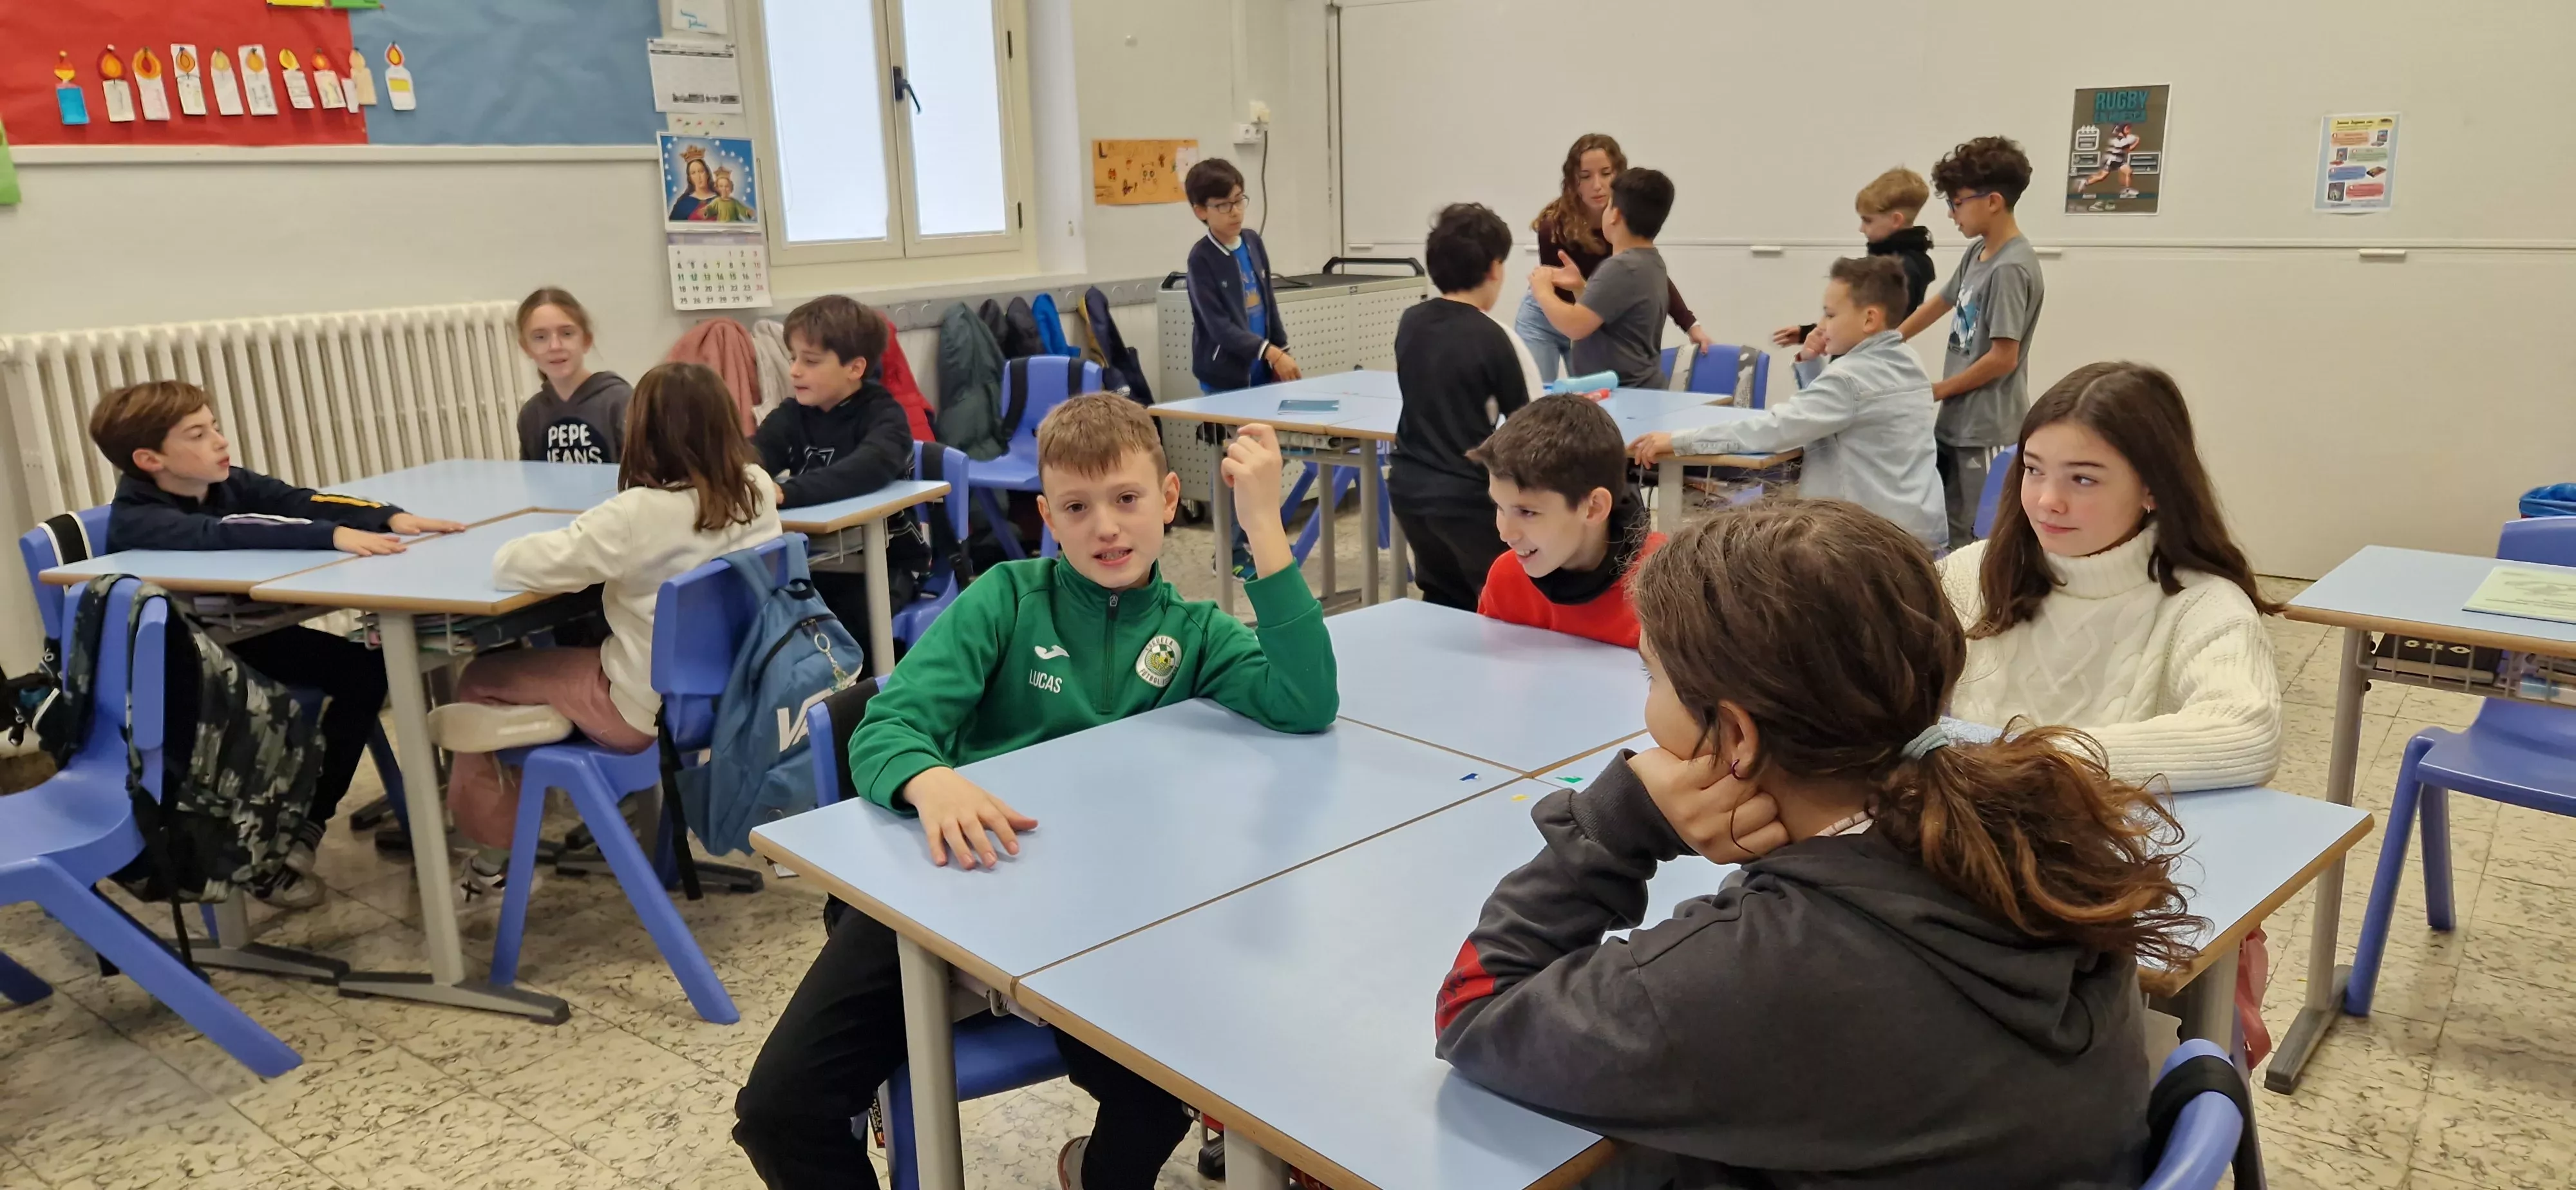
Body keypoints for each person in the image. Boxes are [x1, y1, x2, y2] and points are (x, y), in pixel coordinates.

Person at [1435, 498, 2195, 1189]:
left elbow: (1476, 1010)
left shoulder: (1749, 973)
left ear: (1735, 735)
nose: (1647, 712)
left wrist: (1622, 818)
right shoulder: (2033, 827)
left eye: (1653, 679)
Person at [735, 396, 1336, 1190]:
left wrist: (1263, 526)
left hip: (1096, 927)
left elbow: (1306, 701)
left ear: (1165, 500)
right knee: (778, 1112)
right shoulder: (1006, 599)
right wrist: (930, 778)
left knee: (1167, 1097)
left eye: (1127, 500)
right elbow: (884, 729)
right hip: (947, 892)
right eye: (1078, 509)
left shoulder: (1194, 632)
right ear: (1049, 518)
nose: (1106, 529)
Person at [1942, 360, 2285, 1061]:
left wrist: (2022, 759)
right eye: (2033, 470)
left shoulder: (2200, 603)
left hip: (2094, 898)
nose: (2047, 501)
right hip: (1957, 865)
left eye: (2083, 479)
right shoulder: (1973, 572)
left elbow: (2244, 733)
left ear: (2155, 488)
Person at [89, 381, 466, 909]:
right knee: (279, 702)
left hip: (241, 639)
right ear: (150, 459)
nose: (220, 441)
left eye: (214, 426)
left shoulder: (223, 481)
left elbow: (298, 500)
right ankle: (248, 851)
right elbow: (228, 533)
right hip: (183, 668)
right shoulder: (140, 517)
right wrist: (329, 536)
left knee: (364, 670)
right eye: (198, 434)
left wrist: (385, 516)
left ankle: (305, 828)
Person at [433, 363, 782, 900]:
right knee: (572, 650)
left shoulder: (633, 516)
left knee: (482, 676)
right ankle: (537, 824)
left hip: (641, 710)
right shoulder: (756, 488)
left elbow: (513, 564)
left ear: (640, 431)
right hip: (728, 697)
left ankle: (490, 856)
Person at [1631, 257, 1944, 549]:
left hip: (1867, 541)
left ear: (1870, 319)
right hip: (1921, 531)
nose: (1820, 325)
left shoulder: (1850, 378)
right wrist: (1809, 363)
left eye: (1831, 314)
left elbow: (1775, 429)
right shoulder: (1907, 360)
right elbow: (1829, 414)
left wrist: (1678, 440)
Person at [750, 294, 927, 645]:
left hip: (883, 563)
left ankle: (859, 696)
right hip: (812, 562)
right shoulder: (793, 414)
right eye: (794, 358)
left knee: (844, 627)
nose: (795, 370)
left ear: (855, 368)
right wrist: (744, 476)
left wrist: (787, 492)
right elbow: (754, 454)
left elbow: (866, 469)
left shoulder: (885, 416)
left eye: (811, 361)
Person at [1898, 136, 2045, 548]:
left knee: (1975, 537)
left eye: (1957, 202)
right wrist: (1890, 341)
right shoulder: (1979, 251)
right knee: (1946, 526)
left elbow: (2003, 358)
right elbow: (1943, 301)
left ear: (1993, 201)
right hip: (1957, 421)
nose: (1950, 213)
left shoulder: (2011, 267)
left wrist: (1936, 390)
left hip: (1987, 428)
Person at [1390, 202, 1530, 610]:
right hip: (1466, 496)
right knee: (1495, 602)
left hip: (1409, 486)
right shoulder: (1492, 337)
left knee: (1439, 596)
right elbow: (1525, 424)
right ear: (1494, 269)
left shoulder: (1410, 321)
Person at [1470, 394, 1663, 648]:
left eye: (1528, 512)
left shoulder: (1668, 587)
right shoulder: (1507, 579)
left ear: (1593, 508)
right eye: (1500, 507)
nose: (1505, 533)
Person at [1517, 134, 1712, 381]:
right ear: (1573, 182)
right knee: (1542, 394)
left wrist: (1690, 324)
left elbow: (1650, 279)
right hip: (1558, 312)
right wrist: (1562, 291)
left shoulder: (1631, 254)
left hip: (1587, 311)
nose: (1597, 185)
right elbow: (1572, 305)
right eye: (1586, 177)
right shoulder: (1555, 226)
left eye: (1606, 174)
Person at [1528, 167, 1678, 391]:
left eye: (1608, 205)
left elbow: (1575, 326)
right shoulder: (1650, 262)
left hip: (1627, 394)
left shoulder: (1621, 267)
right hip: (1640, 390)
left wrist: (1542, 290)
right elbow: (1606, 319)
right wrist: (1581, 288)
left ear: (1615, 215)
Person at [1770, 166, 1938, 360]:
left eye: (1867, 220)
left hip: (1865, 362)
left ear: (1896, 220)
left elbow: (1863, 323)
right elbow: (1852, 313)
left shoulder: (1904, 269)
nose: (1861, 228)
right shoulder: (1884, 262)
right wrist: (1811, 332)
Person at [1184, 157, 1298, 393]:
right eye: (1224, 205)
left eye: (1239, 201)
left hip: (1262, 369)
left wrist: (1282, 350)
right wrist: (1272, 353)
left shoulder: (1252, 242)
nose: (1235, 212)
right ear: (1201, 211)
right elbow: (1220, 327)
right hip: (1224, 377)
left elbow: (1269, 304)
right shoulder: (1201, 258)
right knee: (1243, 432)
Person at [513, 287, 632, 464]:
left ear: (586, 341)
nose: (555, 346)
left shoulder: (619, 401)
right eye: (540, 337)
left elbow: (643, 478)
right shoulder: (531, 415)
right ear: (526, 348)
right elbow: (533, 483)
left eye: (567, 334)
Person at [2078, 122, 2143, 199]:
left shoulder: (2126, 138)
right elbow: (2128, 149)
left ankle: (2126, 190)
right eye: (2127, 128)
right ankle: (2085, 182)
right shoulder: (2118, 140)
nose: (2129, 130)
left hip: (2119, 160)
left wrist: (2136, 141)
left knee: (2128, 172)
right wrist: (2136, 142)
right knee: (2101, 177)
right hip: (2111, 160)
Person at [690, 167, 755, 223]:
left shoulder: (734, 202)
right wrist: (705, 211)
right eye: (721, 186)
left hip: (733, 228)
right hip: (721, 227)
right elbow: (710, 208)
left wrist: (748, 212)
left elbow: (742, 210)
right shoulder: (717, 201)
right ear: (717, 188)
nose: (724, 189)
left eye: (727, 186)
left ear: (731, 188)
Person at [670, 148, 718, 222]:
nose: (699, 177)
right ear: (690, 178)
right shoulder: (683, 204)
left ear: (707, 174)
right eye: (693, 173)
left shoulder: (720, 200)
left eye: (701, 171)